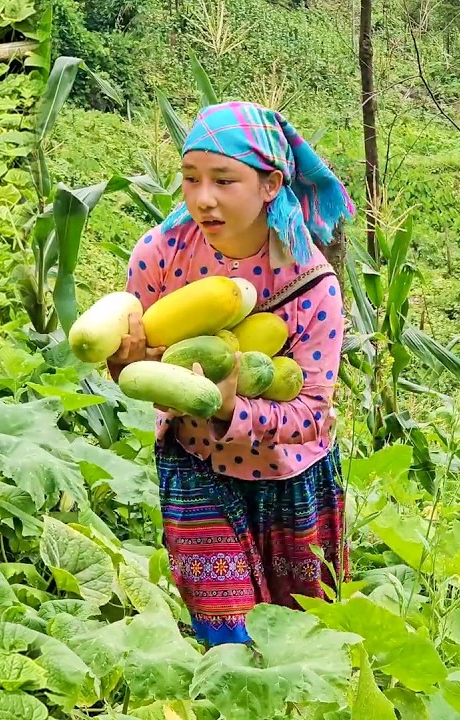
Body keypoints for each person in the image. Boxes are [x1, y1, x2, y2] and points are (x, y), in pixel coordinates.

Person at [106, 101, 352, 646]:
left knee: (300, 643)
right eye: (190, 178)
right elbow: (141, 365)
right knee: (230, 640)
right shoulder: (158, 255)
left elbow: (313, 412)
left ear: (270, 184)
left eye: (223, 180)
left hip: (290, 479)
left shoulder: (313, 283)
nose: (202, 198)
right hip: (195, 463)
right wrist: (124, 363)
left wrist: (228, 407)